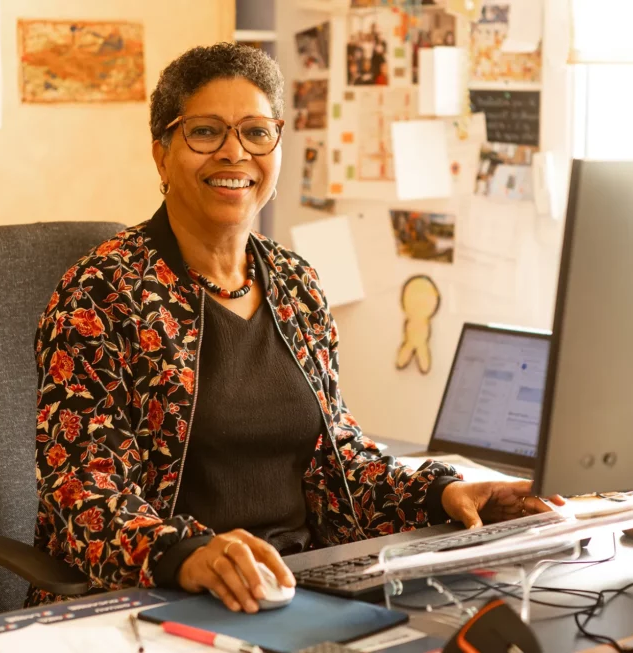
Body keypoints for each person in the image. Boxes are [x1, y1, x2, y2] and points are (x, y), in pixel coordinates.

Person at [28, 42, 562, 615]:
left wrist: (445, 493)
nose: (234, 153)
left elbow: (339, 465)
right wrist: (187, 554)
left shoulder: (296, 283)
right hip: (156, 595)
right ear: (161, 155)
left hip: (298, 583)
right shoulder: (100, 292)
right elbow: (81, 492)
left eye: (257, 132)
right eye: (206, 132)